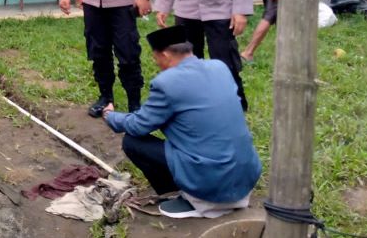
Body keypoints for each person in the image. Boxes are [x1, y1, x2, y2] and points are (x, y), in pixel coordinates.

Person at [103, 25, 261, 219]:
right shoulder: (219, 67)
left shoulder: (167, 83)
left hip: (212, 179)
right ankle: (199, 190)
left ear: (165, 55)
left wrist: (111, 116)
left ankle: (187, 196)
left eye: (156, 58)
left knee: (133, 142)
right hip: (245, 175)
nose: (157, 64)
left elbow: (138, 125)